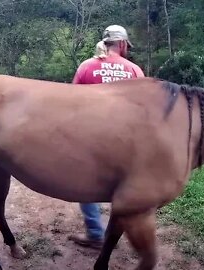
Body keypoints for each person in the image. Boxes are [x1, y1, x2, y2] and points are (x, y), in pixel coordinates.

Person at [68, 25, 145, 249]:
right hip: (125, 143)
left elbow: (71, 103)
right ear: (122, 44)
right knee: (124, 186)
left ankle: (95, 233)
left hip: (91, 141)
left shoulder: (86, 67)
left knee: (86, 185)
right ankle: (122, 230)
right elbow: (143, 111)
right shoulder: (134, 70)